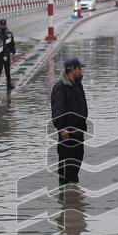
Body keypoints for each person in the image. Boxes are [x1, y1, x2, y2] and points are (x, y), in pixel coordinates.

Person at [50, 58, 89, 186]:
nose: (81, 70)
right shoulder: (60, 87)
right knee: (66, 164)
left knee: (77, 160)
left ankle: (74, 194)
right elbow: (57, 111)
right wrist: (62, 128)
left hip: (78, 130)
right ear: (72, 70)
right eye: (79, 68)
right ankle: (64, 192)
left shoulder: (78, 84)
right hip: (67, 133)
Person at [0, 18, 16, 90]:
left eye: (4, 25)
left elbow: (12, 43)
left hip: (7, 54)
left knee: (7, 70)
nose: (3, 26)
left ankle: (9, 84)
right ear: (0, 25)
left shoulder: (9, 34)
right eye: (2, 25)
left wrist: (13, 50)